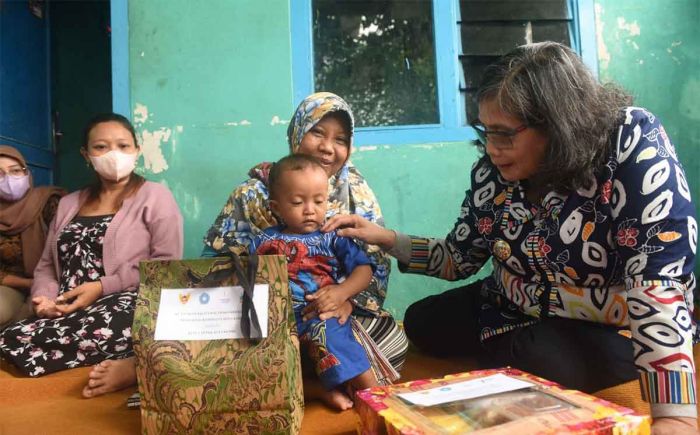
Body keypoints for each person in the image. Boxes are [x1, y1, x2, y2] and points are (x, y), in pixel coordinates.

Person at [323, 42, 698, 434]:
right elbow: (458, 258)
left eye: (503, 134)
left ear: (558, 122)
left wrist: (675, 418)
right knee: (422, 322)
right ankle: (518, 351)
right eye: (486, 132)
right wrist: (385, 238)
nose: (491, 149)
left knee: (539, 356)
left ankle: (539, 355)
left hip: (612, 322)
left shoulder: (630, 142)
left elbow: (657, 279)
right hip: (509, 304)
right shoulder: (492, 172)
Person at [203, 92, 408, 374]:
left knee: (391, 340)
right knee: (226, 344)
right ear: (297, 133)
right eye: (317, 133)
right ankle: (318, 379)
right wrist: (269, 307)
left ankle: (293, 379)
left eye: (340, 140)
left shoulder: (356, 193)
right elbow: (214, 264)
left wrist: (343, 299)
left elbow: (374, 265)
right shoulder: (251, 194)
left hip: (332, 316)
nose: (327, 148)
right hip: (268, 320)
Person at [0, 114, 183, 398]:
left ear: (137, 150)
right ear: (86, 155)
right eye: (101, 147)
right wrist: (45, 299)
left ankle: (134, 365)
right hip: (69, 303)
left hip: (126, 298)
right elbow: (48, 266)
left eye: (123, 145)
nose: (113, 154)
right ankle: (138, 355)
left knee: (121, 320)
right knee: (14, 335)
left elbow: (166, 267)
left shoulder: (156, 197)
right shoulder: (69, 203)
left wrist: (100, 287)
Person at [249, 154, 378, 410]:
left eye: (319, 201)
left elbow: (364, 270)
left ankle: (377, 396)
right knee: (255, 361)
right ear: (276, 207)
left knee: (333, 338)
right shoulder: (261, 242)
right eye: (298, 202)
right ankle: (319, 390)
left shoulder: (332, 237)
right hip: (278, 321)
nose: (310, 209)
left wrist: (342, 293)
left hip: (322, 314)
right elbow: (246, 279)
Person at [0, 146, 64, 329]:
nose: (8, 179)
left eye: (14, 171)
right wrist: (28, 283)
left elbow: (69, 247)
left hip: (55, 283)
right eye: (0, 173)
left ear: (26, 173)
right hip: (13, 286)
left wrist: (44, 284)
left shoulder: (50, 202)